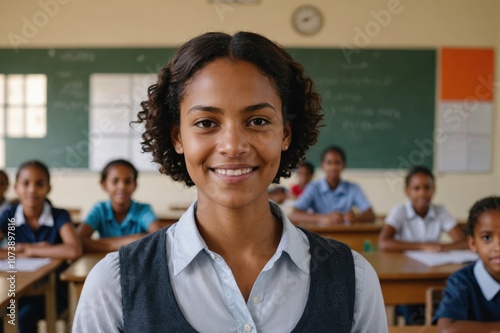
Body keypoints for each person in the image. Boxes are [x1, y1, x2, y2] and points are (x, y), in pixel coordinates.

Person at [73, 31, 387, 333]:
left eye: (258, 121)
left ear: (286, 134)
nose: (233, 145)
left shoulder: (354, 280)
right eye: (206, 123)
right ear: (177, 136)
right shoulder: (113, 285)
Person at [378, 165, 467, 325]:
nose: (422, 193)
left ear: (434, 189)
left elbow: (463, 241)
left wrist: (445, 247)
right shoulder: (400, 211)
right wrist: (423, 246)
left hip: (432, 272)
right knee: (413, 312)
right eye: (416, 188)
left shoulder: (440, 211)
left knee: (444, 303)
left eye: (427, 187)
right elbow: (384, 243)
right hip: (406, 277)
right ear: (407, 191)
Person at [0, 160, 82, 333]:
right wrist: (19, 252)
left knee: (23, 317)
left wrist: (29, 249)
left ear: (48, 188)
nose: (32, 190)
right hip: (15, 288)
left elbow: (74, 250)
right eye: (26, 183)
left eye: (39, 184)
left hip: (52, 292)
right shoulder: (8, 215)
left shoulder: (58, 215)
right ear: (16, 188)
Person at [433, 196, 500, 331]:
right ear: (472, 243)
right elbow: (448, 329)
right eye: (487, 237)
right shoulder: (461, 281)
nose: (497, 247)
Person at [77, 159, 162, 252]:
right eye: (115, 181)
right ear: (104, 185)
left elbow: (158, 238)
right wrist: (139, 238)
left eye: (128, 181)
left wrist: (102, 244)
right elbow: (79, 241)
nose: (122, 186)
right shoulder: (99, 209)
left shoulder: (143, 209)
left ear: (135, 185)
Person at [291, 145, 375, 225]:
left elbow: (370, 215)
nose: (333, 167)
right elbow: (295, 215)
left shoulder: (353, 188)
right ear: (322, 166)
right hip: (320, 236)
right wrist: (323, 218)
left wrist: (354, 218)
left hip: (345, 235)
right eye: (329, 162)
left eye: (337, 163)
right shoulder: (313, 187)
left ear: (343, 165)